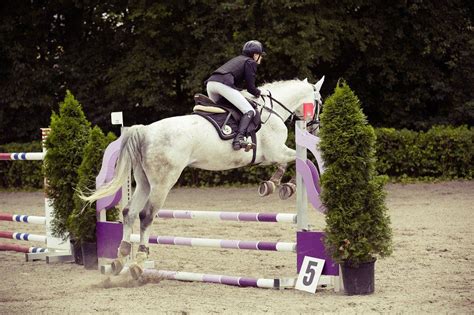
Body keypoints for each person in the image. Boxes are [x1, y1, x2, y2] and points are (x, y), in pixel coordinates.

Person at [206, 40, 268, 150]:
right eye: (260, 55)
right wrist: (260, 93)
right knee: (250, 111)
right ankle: (238, 139)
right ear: (255, 55)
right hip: (222, 85)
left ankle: (224, 133)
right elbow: (251, 88)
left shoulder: (238, 59)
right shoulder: (250, 62)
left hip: (211, 84)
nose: (261, 58)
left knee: (228, 111)